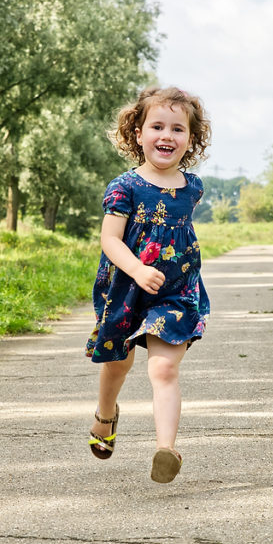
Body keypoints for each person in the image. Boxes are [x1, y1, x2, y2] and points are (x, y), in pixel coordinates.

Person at [85, 86, 211, 484]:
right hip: (126, 288)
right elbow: (110, 240)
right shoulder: (124, 187)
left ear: (190, 140)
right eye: (157, 126)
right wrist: (138, 269)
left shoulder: (192, 187)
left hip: (175, 292)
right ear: (138, 133)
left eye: (178, 129)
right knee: (118, 363)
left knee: (164, 369)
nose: (167, 136)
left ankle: (165, 449)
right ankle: (106, 414)